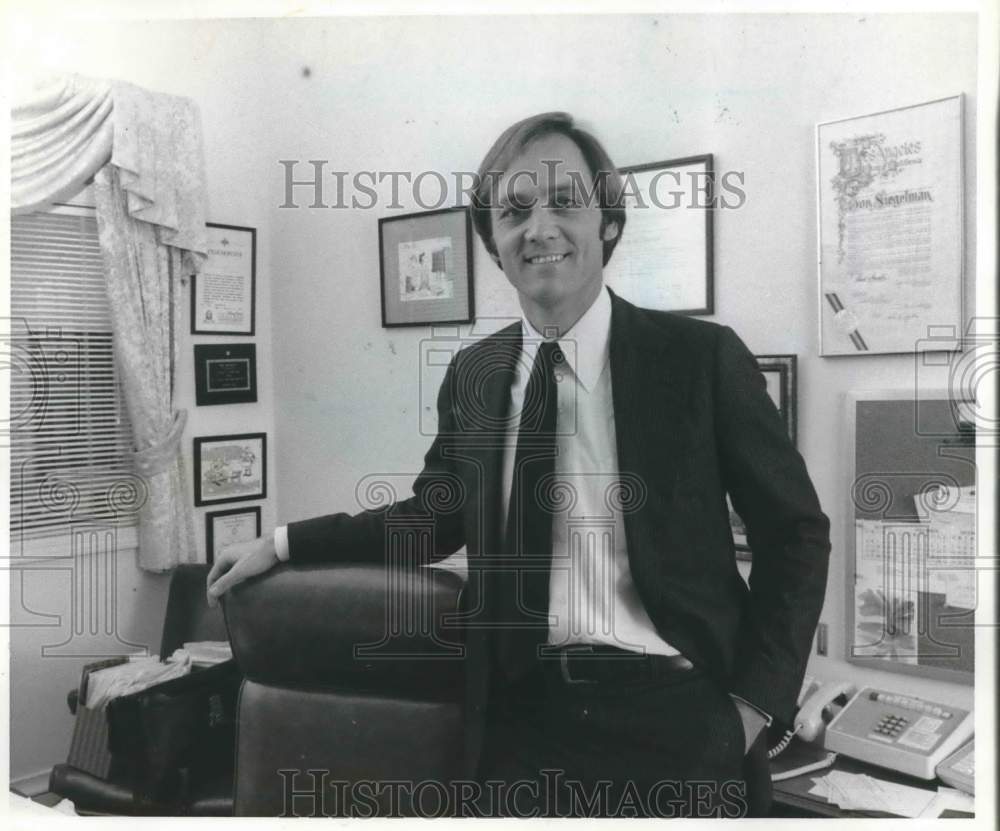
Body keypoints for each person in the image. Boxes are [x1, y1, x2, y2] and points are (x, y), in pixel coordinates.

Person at [207, 112, 831, 818]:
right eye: (514, 210)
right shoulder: (476, 373)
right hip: (520, 728)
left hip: (679, 722)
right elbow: (432, 516)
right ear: (495, 245)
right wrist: (284, 541)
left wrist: (752, 709)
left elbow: (796, 534)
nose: (539, 227)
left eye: (565, 201)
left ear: (608, 225)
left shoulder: (700, 360)